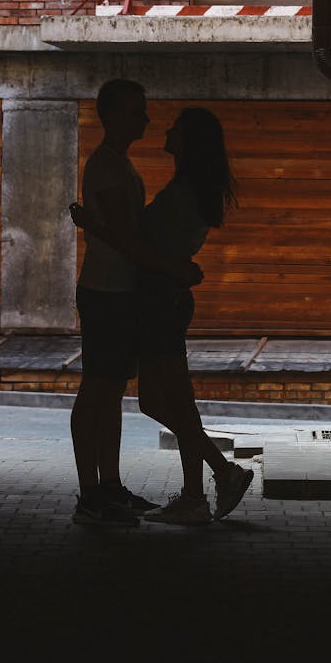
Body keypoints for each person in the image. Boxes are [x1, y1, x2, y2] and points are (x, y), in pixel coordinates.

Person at [71, 106, 253, 526]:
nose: (163, 128)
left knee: (171, 402)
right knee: (161, 400)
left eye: (175, 128)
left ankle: (214, 480)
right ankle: (203, 487)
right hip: (162, 300)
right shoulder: (189, 187)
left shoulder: (183, 193)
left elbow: (142, 247)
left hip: (159, 303)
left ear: (188, 141)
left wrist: (92, 225)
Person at [70, 79, 203, 528]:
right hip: (104, 291)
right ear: (113, 115)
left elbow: (121, 234)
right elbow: (127, 239)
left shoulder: (121, 165)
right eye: (137, 110)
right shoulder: (106, 167)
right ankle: (90, 493)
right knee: (96, 391)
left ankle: (109, 486)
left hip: (120, 292)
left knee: (110, 393)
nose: (146, 118)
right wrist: (175, 267)